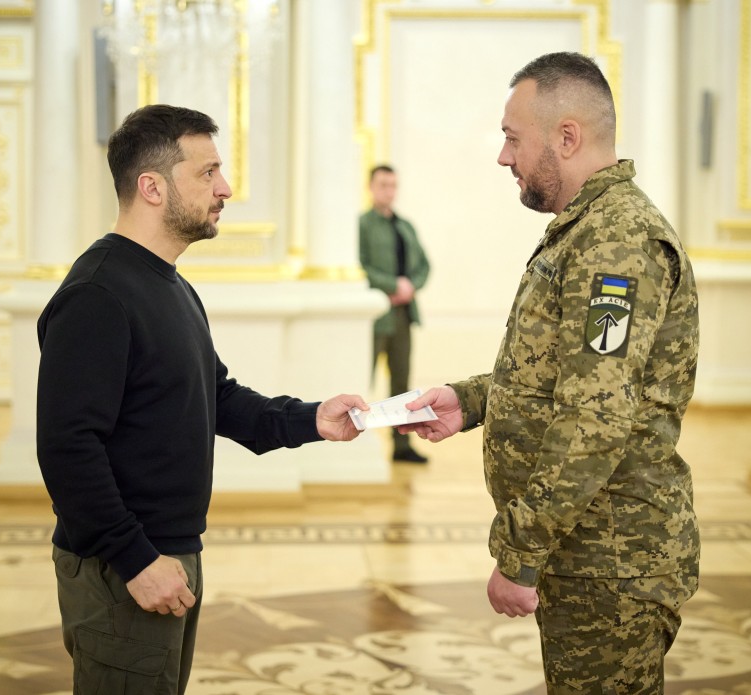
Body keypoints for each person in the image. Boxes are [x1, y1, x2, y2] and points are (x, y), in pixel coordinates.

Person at [35, 104, 366, 695]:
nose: (226, 188)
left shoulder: (170, 284)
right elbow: (67, 447)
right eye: (208, 172)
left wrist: (312, 419)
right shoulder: (97, 294)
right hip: (125, 567)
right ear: (152, 187)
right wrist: (135, 560)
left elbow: (218, 397)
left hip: (168, 553)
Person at [399, 52, 700, 694]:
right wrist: (468, 400)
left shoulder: (617, 243)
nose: (503, 157)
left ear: (566, 137)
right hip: (588, 550)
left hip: (611, 559)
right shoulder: (589, 229)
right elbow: (565, 374)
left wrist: (520, 553)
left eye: (513, 138)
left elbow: (595, 416)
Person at [359, 164, 432, 463]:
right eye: (383, 185)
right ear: (371, 187)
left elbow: (424, 265)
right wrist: (392, 285)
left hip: (403, 315)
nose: (389, 191)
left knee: (401, 383)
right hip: (374, 317)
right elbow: (359, 266)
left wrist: (411, 286)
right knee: (363, 379)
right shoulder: (362, 225)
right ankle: (355, 443)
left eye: (393, 185)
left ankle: (401, 446)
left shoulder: (405, 226)